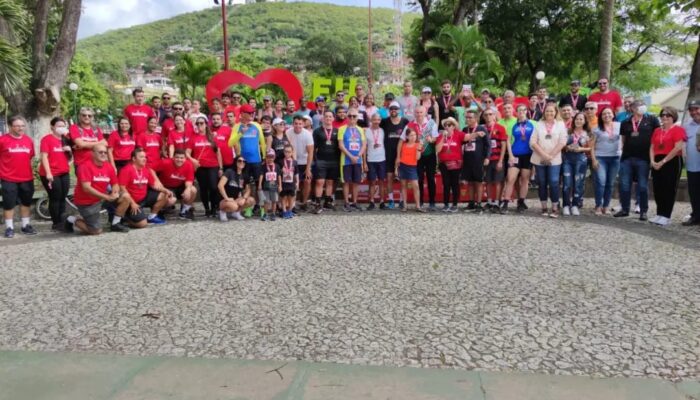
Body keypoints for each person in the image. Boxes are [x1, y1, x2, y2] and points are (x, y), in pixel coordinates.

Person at [67, 144, 128, 234]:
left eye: (105, 152)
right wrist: (107, 197)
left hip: (102, 198)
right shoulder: (84, 166)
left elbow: (115, 183)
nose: (103, 154)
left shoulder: (108, 166)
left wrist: (114, 192)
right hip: (87, 202)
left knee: (126, 196)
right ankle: (71, 219)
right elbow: (86, 188)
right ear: (93, 153)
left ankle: (115, 223)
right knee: (96, 231)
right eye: (100, 152)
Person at [615, 100, 659, 220]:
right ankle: (624, 209)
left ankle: (643, 211)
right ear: (633, 108)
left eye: (643, 105)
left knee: (643, 186)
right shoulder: (625, 122)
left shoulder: (652, 120)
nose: (642, 107)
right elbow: (623, 139)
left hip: (643, 158)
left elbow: (656, 136)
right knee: (624, 185)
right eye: (639, 105)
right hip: (627, 158)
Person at [114, 148, 172, 229]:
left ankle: (152, 217)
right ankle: (124, 217)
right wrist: (132, 203)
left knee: (164, 195)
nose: (144, 159)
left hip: (143, 198)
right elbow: (122, 188)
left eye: (145, 157)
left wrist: (165, 190)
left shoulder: (145, 169)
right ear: (134, 159)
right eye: (141, 157)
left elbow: (153, 185)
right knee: (142, 224)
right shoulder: (126, 170)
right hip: (131, 200)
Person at [1, 116, 37, 237]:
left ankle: (25, 226)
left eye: (22, 125)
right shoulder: (2, 140)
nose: (20, 128)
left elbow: (30, 157)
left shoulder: (28, 140)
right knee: (9, 204)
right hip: (8, 178)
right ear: (11, 126)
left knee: (26, 203)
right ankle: (9, 228)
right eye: (17, 126)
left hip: (26, 178)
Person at [649, 106, 686, 226]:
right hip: (657, 160)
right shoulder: (657, 131)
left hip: (672, 161)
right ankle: (659, 213)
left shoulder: (678, 130)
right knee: (658, 188)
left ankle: (666, 215)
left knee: (668, 188)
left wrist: (663, 162)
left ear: (673, 117)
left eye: (668, 115)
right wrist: (653, 161)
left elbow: (677, 148)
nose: (664, 117)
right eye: (662, 115)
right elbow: (652, 147)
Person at [530, 104, 568, 217]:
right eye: (547, 111)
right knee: (541, 182)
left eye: (551, 111)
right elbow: (532, 142)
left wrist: (550, 156)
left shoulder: (561, 125)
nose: (549, 113)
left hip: (554, 159)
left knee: (554, 182)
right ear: (544, 112)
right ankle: (544, 206)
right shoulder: (538, 124)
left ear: (556, 112)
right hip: (539, 158)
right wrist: (544, 155)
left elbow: (562, 142)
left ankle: (555, 207)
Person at [229, 104, 266, 217]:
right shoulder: (237, 127)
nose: (252, 115)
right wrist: (241, 133)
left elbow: (262, 143)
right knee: (246, 186)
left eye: (252, 113)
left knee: (260, 185)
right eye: (249, 113)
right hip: (243, 162)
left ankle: (262, 208)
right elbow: (230, 143)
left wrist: (264, 157)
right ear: (242, 114)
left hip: (256, 161)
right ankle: (248, 207)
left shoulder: (256, 126)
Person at [399, 106, 439, 210]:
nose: (419, 114)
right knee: (419, 179)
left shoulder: (431, 123)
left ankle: (432, 202)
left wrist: (432, 139)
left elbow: (436, 138)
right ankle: (419, 202)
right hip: (417, 157)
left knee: (431, 178)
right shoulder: (410, 124)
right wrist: (398, 157)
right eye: (417, 112)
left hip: (429, 155)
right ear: (414, 113)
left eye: (421, 112)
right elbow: (402, 139)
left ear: (425, 113)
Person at [38, 117, 72, 231]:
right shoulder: (46, 139)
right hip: (51, 173)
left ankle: (62, 220)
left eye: (63, 125)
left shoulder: (66, 139)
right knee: (55, 197)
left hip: (64, 172)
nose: (61, 128)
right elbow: (44, 157)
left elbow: (71, 158)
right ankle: (56, 222)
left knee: (63, 196)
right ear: (52, 127)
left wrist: (70, 151)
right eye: (58, 125)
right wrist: (48, 173)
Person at [502, 105, 536, 213]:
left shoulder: (533, 124)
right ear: (516, 112)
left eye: (523, 110)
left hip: (528, 155)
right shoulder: (512, 124)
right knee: (510, 178)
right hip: (515, 154)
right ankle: (506, 202)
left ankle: (521, 202)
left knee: (525, 179)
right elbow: (507, 140)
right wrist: (511, 155)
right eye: (519, 110)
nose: (521, 112)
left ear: (526, 111)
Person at [188, 117, 224, 217]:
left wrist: (221, 168)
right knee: (203, 188)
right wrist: (193, 160)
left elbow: (218, 153)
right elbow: (187, 153)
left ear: (206, 124)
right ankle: (207, 209)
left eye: (202, 123)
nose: (200, 125)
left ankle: (213, 207)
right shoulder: (193, 138)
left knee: (213, 187)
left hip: (213, 165)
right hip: (200, 167)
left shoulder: (212, 137)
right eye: (198, 124)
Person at [590, 107, 621, 215]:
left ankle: (606, 206)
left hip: (615, 158)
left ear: (613, 114)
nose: (607, 115)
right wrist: (593, 160)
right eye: (604, 114)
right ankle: (598, 205)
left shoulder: (619, 126)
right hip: (600, 158)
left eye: (609, 113)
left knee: (610, 183)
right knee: (601, 182)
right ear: (601, 116)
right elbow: (592, 146)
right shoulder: (596, 128)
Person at [561, 112, 591, 216]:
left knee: (578, 184)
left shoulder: (588, 133)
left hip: (581, 159)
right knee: (567, 183)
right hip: (567, 160)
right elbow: (561, 145)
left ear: (585, 121)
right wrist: (566, 147)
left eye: (581, 119)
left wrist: (581, 149)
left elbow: (591, 148)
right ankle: (565, 205)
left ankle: (575, 205)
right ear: (574, 121)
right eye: (577, 119)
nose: (578, 121)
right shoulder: (568, 131)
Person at [380, 102, 409, 209]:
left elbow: (410, 135)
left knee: (403, 179)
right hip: (388, 154)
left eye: (395, 108)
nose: (393, 110)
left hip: (402, 154)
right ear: (389, 110)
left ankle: (402, 200)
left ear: (399, 110)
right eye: (391, 108)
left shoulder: (405, 121)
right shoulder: (384, 121)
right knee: (389, 177)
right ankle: (391, 200)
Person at [461, 109, 490, 213]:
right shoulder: (465, 129)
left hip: (479, 159)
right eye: (467, 117)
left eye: (470, 117)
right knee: (470, 182)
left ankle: (479, 203)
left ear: (476, 118)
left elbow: (488, 144)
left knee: (478, 182)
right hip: (468, 159)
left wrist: (487, 157)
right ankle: (471, 202)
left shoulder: (482, 128)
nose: (468, 119)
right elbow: (462, 143)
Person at [338, 109, 367, 211]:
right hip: (346, 160)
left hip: (358, 160)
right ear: (347, 117)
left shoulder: (360, 130)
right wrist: (351, 156)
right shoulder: (342, 129)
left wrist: (358, 156)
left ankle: (354, 202)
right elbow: (341, 145)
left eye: (354, 116)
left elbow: (364, 145)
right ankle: (346, 202)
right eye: (350, 116)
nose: (352, 118)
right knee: (346, 182)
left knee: (356, 182)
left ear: (357, 117)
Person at [312, 111, 340, 213]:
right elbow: (313, 147)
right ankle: (318, 204)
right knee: (320, 182)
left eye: (330, 116)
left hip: (334, 160)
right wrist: (314, 159)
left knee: (330, 182)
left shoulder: (337, 131)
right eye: (326, 116)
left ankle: (327, 202)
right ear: (323, 118)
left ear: (333, 118)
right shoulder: (317, 131)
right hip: (321, 160)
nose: (328, 118)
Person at [158, 149, 197, 220]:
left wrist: (188, 189)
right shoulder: (165, 162)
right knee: (172, 200)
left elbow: (189, 180)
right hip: (167, 187)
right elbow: (151, 169)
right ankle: (160, 209)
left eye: (182, 158)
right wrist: (157, 182)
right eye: (177, 157)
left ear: (185, 159)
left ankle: (185, 211)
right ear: (173, 158)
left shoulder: (189, 164)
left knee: (193, 190)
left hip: (179, 186)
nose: (179, 160)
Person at [435, 117, 464, 212]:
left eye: (449, 125)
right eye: (445, 125)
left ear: (454, 126)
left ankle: (455, 204)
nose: (447, 127)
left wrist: (476, 134)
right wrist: (443, 137)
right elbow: (437, 150)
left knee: (455, 184)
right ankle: (446, 204)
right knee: (446, 184)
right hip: (444, 163)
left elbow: (468, 136)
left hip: (456, 163)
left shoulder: (458, 134)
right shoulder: (440, 136)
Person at [287, 115, 314, 211]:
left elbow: (310, 152)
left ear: (303, 124)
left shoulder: (307, 134)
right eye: (296, 123)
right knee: (292, 183)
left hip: (305, 161)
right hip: (293, 161)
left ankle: (304, 202)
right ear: (292, 124)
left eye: (300, 124)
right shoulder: (288, 132)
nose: (298, 126)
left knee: (307, 181)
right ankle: (292, 204)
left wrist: (308, 169)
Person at [217, 155, 255, 222]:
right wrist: (226, 198)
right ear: (235, 162)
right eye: (239, 161)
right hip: (224, 199)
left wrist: (244, 198)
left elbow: (248, 189)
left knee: (251, 200)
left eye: (244, 161)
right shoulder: (229, 172)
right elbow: (220, 185)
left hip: (235, 199)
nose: (242, 162)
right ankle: (222, 212)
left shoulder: (245, 175)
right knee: (234, 206)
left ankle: (236, 213)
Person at [483, 109, 508, 211]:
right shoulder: (482, 128)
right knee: (488, 181)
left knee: (498, 182)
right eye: (486, 115)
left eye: (490, 114)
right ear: (484, 117)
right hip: (486, 160)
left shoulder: (500, 128)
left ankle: (497, 203)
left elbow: (503, 145)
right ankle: (489, 202)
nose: (488, 116)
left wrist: (501, 161)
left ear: (494, 116)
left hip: (497, 158)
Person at [69, 107, 106, 173]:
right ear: (80, 116)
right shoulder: (74, 127)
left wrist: (85, 144)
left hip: (96, 162)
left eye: (89, 115)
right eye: (84, 115)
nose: (87, 117)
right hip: (81, 164)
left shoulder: (96, 129)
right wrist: (99, 143)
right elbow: (81, 144)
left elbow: (105, 144)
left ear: (92, 117)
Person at [396, 127, 423, 212]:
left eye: (414, 135)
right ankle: (405, 205)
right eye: (411, 135)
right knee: (403, 186)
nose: (413, 137)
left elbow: (418, 158)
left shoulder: (417, 145)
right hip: (403, 166)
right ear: (407, 137)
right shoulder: (403, 145)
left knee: (416, 186)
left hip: (412, 167)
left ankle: (418, 206)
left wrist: (419, 149)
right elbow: (399, 158)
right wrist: (396, 168)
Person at [683, 100, 700, 226]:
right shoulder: (687, 125)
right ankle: (696, 216)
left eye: (696, 109)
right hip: (692, 165)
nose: (694, 112)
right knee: (694, 193)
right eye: (691, 110)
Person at [364, 113, 387, 210]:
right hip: (371, 160)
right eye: (374, 119)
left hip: (381, 159)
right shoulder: (366, 131)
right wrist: (364, 162)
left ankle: (382, 201)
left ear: (380, 121)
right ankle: (372, 201)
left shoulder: (382, 130)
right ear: (371, 120)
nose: (376, 121)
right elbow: (364, 148)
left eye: (378, 120)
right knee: (372, 182)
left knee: (381, 181)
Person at [258, 149, 281, 221]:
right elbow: (261, 175)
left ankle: (273, 214)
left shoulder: (277, 166)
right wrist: (259, 184)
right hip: (266, 187)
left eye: (272, 157)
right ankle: (265, 214)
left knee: (274, 201)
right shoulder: (263, 166)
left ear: (274, 157)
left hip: (274, 187)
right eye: (268, 157)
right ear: (266, 157)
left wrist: (280, 185)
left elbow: (279, 176)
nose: (270, 159)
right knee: (266, 201)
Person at [279, 145, 299, 219]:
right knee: (283, 197)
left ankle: (290, 210)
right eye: (286, 151)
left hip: (291, 182)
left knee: (291, 197)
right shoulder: (281, 162)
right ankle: (284, 211)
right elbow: (279, 175)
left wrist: (297, 182)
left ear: (292, 152)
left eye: (289, 152)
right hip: (284, 182)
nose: (287, 153)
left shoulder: (294, 162)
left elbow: (296, 173)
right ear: (284, 152)